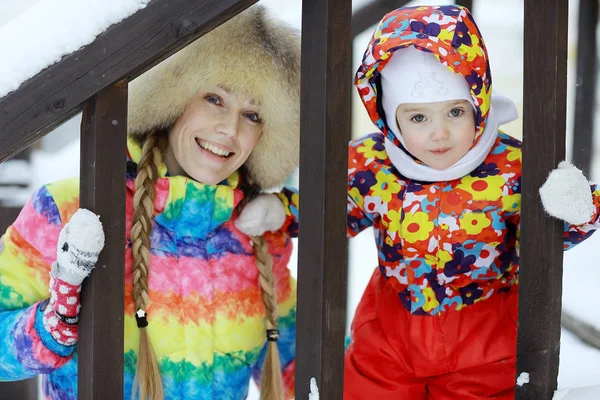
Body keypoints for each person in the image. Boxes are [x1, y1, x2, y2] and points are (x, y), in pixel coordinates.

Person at [235, 5, 600, 399]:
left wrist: (576, 210)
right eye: (418, 118)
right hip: (391, 331)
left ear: (478, 101)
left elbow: (546, 237)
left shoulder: (511, 166)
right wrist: (284, 210)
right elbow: (332, 209)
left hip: (486, 335)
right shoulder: (373, 165)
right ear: (390, 118)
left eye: (456, 112)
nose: (439, 134)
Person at [0, 6, 301, 400]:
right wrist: (55, 321)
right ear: (172, 96)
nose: (230, 129)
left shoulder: (255, 233)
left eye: (253, 114)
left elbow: (300, 367)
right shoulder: (68, 208)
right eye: (214, 99)